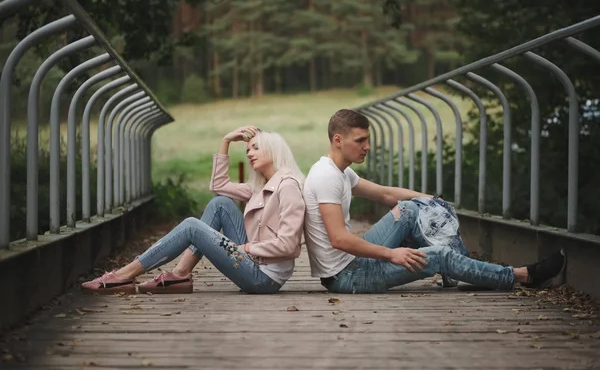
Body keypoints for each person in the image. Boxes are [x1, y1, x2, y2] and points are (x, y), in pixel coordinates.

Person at [303, 109, 566, 294]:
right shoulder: (326, 177)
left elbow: (384, 194)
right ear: (338, 140)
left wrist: (430, 200)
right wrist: (392, 253)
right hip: (346, 276)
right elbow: (339, 239)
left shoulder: (340, 171)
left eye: (368, 140)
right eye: (360, 140)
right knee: (438, 255)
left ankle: (459, 267)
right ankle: (521, 275)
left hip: (353, 262)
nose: (367, 146)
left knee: (408, 209)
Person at [82, 126, 306, 295]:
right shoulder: (260, 186)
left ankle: (123, 275)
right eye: (248, 149)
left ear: (274, 150)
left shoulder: (287, 186)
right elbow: (218, 186)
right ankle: (179, 275)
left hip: (264, 277)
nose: (249, 153)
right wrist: (226, 140)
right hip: (253, 261)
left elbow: (289, 245)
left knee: (192, 225)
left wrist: (245, 247)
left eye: (256, 147)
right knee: (221, 204)